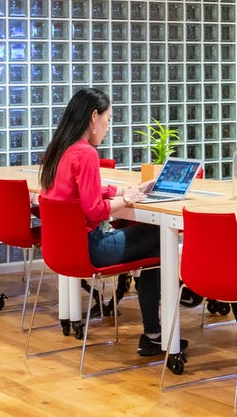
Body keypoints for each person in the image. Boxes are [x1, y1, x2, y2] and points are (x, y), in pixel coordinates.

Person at [38, 87, 168, 357]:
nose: (109, 127)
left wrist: (123, 191)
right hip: (92, 249)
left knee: (152, 245)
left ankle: (155, 335)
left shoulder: (59, 150)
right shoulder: (86, 153)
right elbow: (95, 211)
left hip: (61, 252)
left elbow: (82, 193)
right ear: (94, 116)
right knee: (160, 236)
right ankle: (156, 332)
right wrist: (128, 200)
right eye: (108, 119)